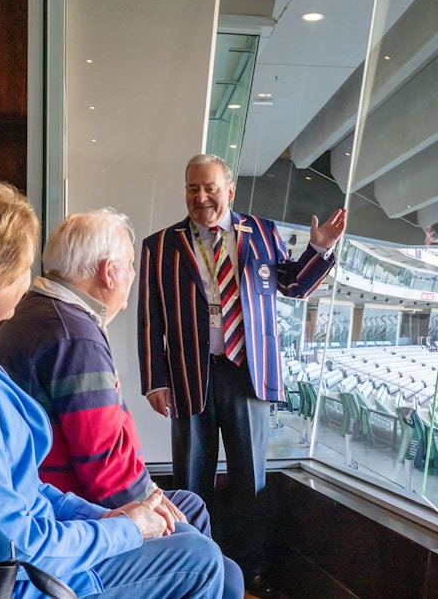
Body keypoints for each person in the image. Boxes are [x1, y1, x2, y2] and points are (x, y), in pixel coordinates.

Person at [0, 179, 241, 599]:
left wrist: (117, 517)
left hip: (52, 523)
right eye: (24, 267)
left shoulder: (13, 335)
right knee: (205, 560)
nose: (30, 279)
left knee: (192, 518)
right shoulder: (71, 336)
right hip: (37, 575)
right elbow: (21, 540)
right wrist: (126, 525)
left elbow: (25, 487)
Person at [137, 153, 346, 586]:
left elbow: (292, 285)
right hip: (188, 375)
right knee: (191, 477)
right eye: (193, 188)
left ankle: (248, 571)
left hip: (248, 373)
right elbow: (149, 319)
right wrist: (154, 381)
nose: (201, 197)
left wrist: (319, 249)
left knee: (250, 478)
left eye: (210, 187)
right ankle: (192, 569)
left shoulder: (263, 233)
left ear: (229, 191)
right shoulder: (161, 245)